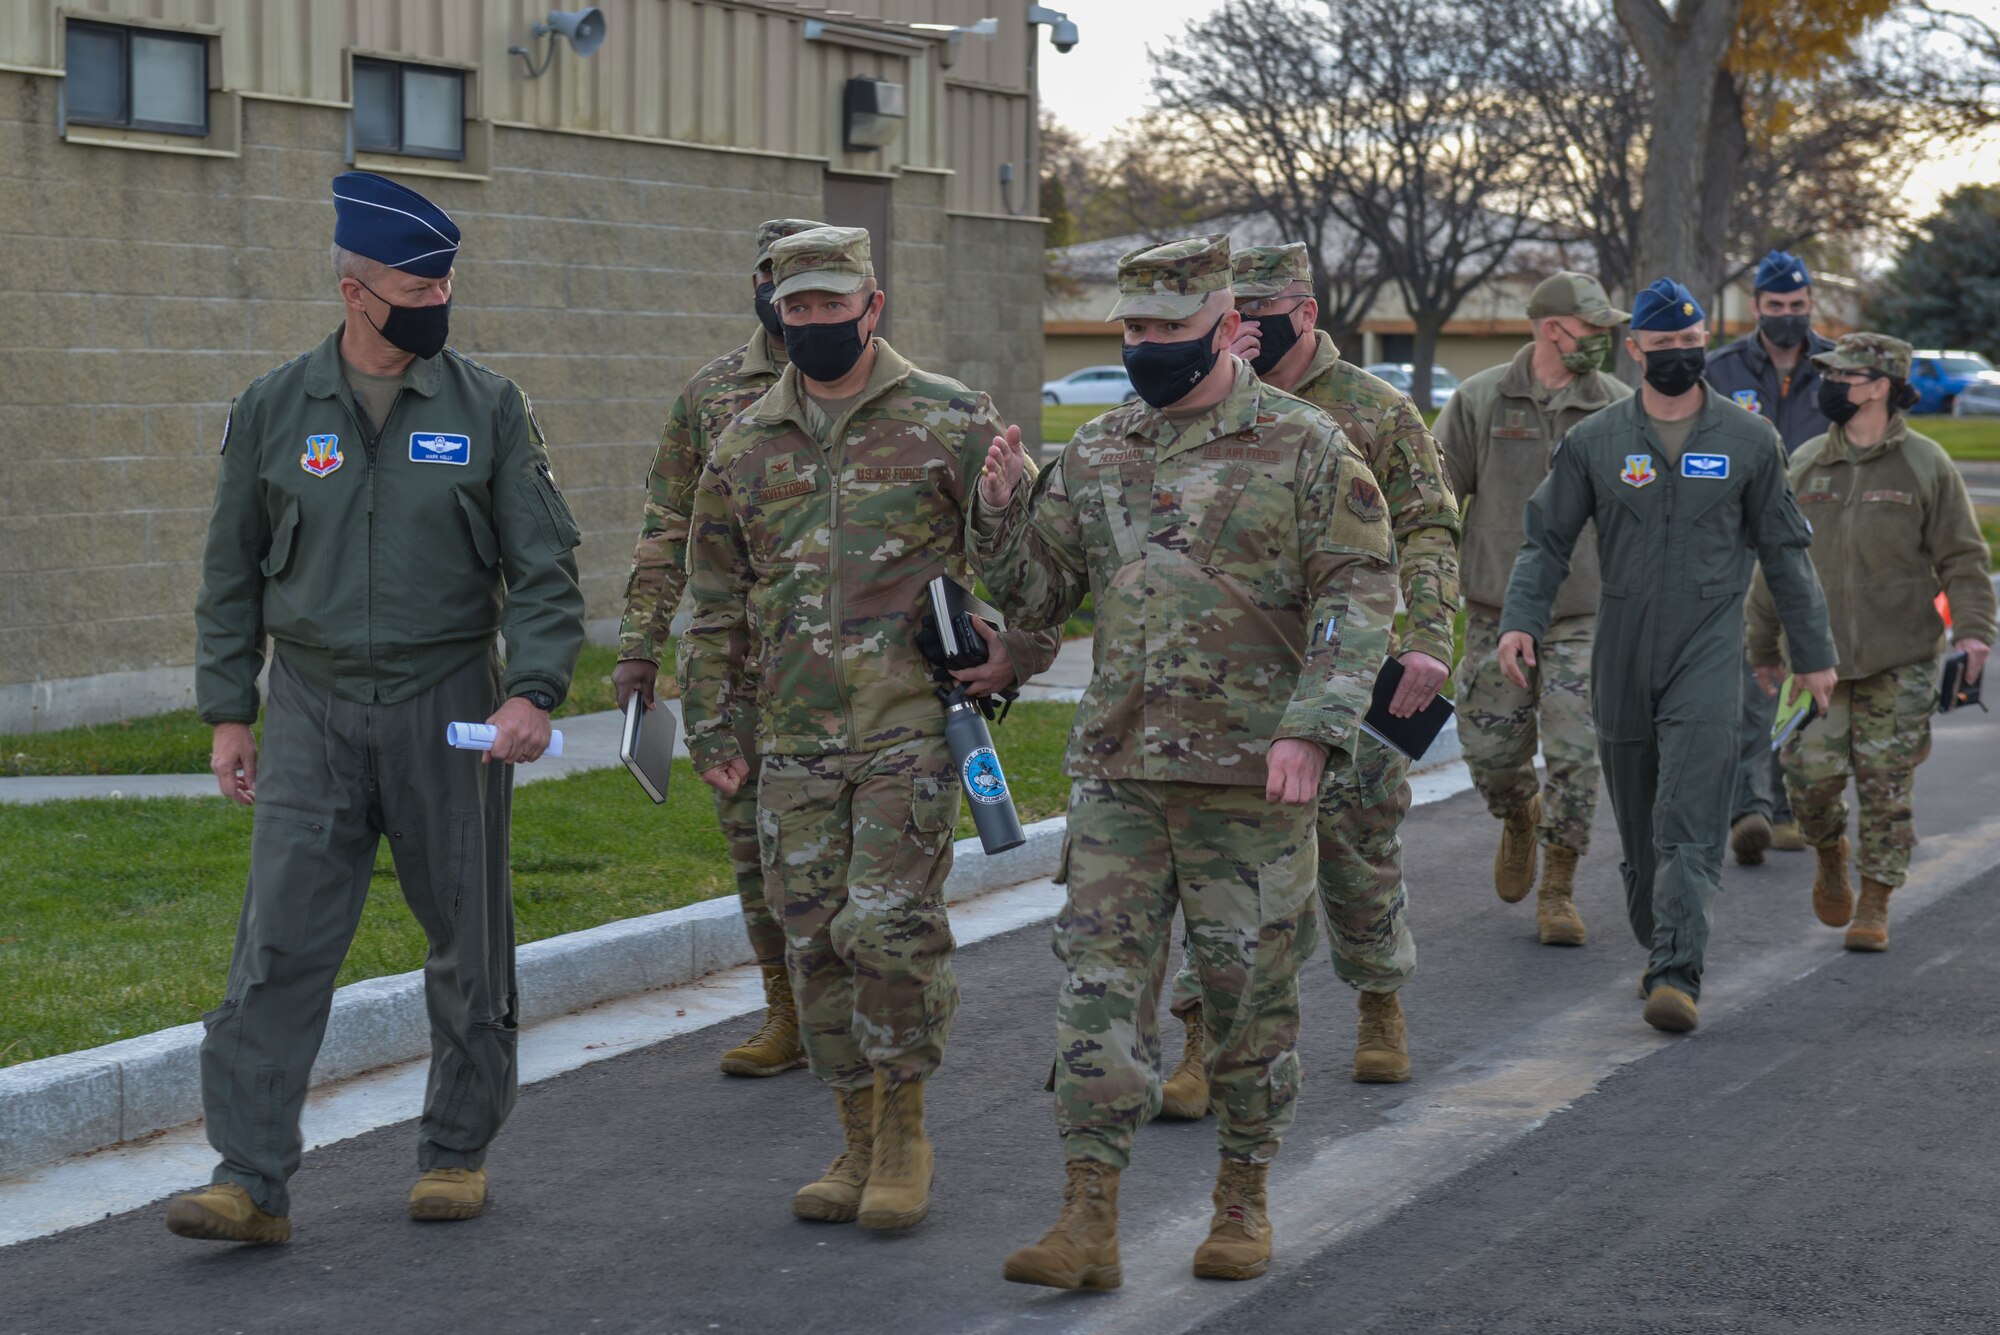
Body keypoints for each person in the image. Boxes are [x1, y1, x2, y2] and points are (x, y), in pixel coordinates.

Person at [170, 172, 586, 1244]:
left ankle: (453, 1151)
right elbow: (229, 576)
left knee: (466, 937)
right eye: (418, 280)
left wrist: (535, 689)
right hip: (308, 704)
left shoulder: (487, 405)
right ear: (356, 290)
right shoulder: (272, 407)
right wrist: (228, 711)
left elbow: (540, 568)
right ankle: (249, 1177)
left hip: (446, 694)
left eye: (445, 279)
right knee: (280, 944)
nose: (436, 297)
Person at [976, 235, 1399, 1287]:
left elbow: (1358, 593)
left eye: (1167, 329)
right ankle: (1086, 1221)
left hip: (1249, 782)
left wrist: (1313, 724)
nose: (1144, 347)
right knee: (1094, 1000)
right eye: (1130, 329)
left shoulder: (1305, 445)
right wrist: (996, 516)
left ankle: (1241, 1201)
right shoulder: (1101, 448)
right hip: (1119, 774)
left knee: (1248, 1007)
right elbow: (1037, 600)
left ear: (1226, 330)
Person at [676, 226, 1059, 1232]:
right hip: (791, 739)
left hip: (910, 731)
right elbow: (712, 597)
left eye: (828, 305)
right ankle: (851, 1136)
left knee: (887, 929)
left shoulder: (947, 418)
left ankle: (902, 1132)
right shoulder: (745, 443)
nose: (811, 322)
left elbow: (1043, 576)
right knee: (814, 948)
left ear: (871, 305)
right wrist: (710, 722)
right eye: (793, 307)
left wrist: (1016, 624)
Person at [1151, 242, 1458, 1102]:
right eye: (1233, 314)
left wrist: (1430, 636)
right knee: (1218, 862)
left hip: (1351, 660)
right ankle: (1202, 1035)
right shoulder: (1194, 401)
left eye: (1262, 310)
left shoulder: (1376, 409)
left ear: (1307, 311)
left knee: (1358, 846)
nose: (1247, 327)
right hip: (1234, 670)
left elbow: (1430, 526)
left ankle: (1379, 999)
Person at [1496, 278, 1837, 1035]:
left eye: (1693, 345)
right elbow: (1546, 540)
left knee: (1688, 814)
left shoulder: (1749, 441)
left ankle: (1678, 968)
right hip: (1622, 648)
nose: (1682, 357)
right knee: (1642, 818)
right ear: (1635, 349)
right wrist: (1520, 619)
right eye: (1667, 347)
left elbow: (1785, 554)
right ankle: (1660, 929)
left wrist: (1813, 654)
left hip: (1709, 647)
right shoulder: (1596, 442)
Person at [612, 217, 823, 1078]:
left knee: (847, 858)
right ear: (756, 285)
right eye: (777, 280)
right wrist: (638, 647)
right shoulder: (711, 396)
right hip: (735, 670)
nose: (790, 300)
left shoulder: (897, 395)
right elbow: (667, 525)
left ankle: (852, 1012)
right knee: (753, 847)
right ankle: (788, 1013)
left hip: (852, 668)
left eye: (813, 287)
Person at [1746, 333, 1996, 950]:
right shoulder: (1804, 462)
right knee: (1809, 781)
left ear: (1881, 386)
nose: (1828, 385)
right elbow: (1774, 564)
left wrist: (1974, 634)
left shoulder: (1925, 464)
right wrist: (1761, 648)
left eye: (1843, 376)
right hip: (1812, 663)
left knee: (1886, 785)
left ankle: (1875, 902)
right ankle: (1830, 851)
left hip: (1901, 658)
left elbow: (1963, 558)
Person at [1434, 273, 1632, 944]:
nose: (1605, 340)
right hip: (1492, 612)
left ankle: (1559, 886)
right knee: (1490, 753)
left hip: (1583, 614)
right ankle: (1519, 811)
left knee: (1578, 752)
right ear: (1553, 328)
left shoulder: (1619, 409)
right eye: (1594, 328)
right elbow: (1435, 499)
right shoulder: (1482, 399)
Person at [1706, 250, 1836, 865]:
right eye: (1775, 305)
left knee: (1806, 673)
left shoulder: (1838, 371)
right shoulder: (1720, 370)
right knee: (1748, 682)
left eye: (1797, 304)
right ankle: (1752, 808)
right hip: (1739, 548)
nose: (1787, 315)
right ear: (1755, 306)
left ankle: (1790, 803)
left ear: (1811, 303)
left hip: (1817, 549)